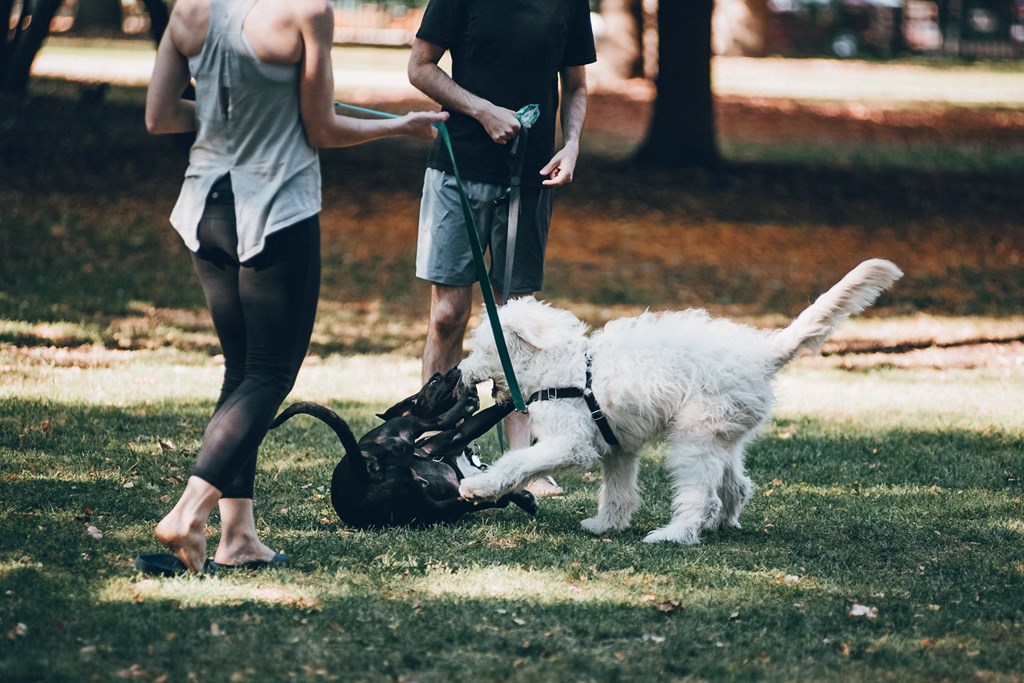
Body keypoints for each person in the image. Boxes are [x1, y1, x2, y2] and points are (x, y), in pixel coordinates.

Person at [139, 0, 446, 575]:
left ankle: (237, 537)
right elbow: (321, 127)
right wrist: (398, 125)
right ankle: (189, 511)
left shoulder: (189, 11)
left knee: (242, 372)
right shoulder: (307, 11)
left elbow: (159, 116)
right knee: (271, 372)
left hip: (207, 207)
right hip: (275, 209)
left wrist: (231, 114)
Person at [407, 0, 596, 494]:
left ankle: (523, 460)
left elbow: (574, 85)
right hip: (457, 166)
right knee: (447, 314)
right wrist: (481, 110)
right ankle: (439, 446)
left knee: (518, 320)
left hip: (529, 176)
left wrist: (571, 144)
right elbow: (420, 67)